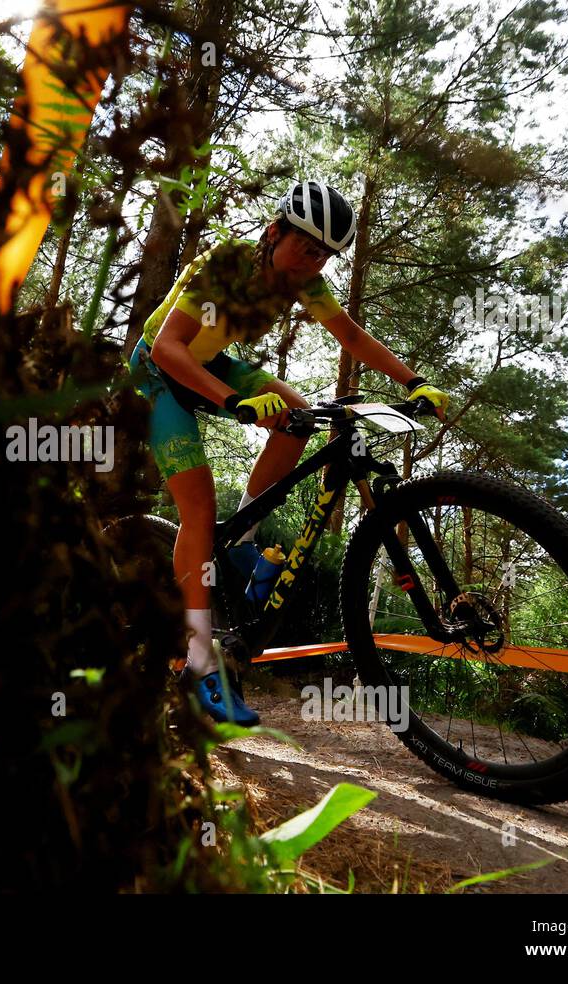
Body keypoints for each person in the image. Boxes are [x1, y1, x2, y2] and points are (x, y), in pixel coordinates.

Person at [127, 180, 450, 725]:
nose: (312, 261)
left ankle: (241, 543)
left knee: (299, 416)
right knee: (199, 511)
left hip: (208, 364)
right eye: (305, 247)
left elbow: (353, 337)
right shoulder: (227, 266)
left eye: (324, 254)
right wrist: (235, 401)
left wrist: (414, 379)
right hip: (160, 371)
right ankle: (200, 667)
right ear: (274, 232)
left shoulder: (306, 281)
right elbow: (167, 346)